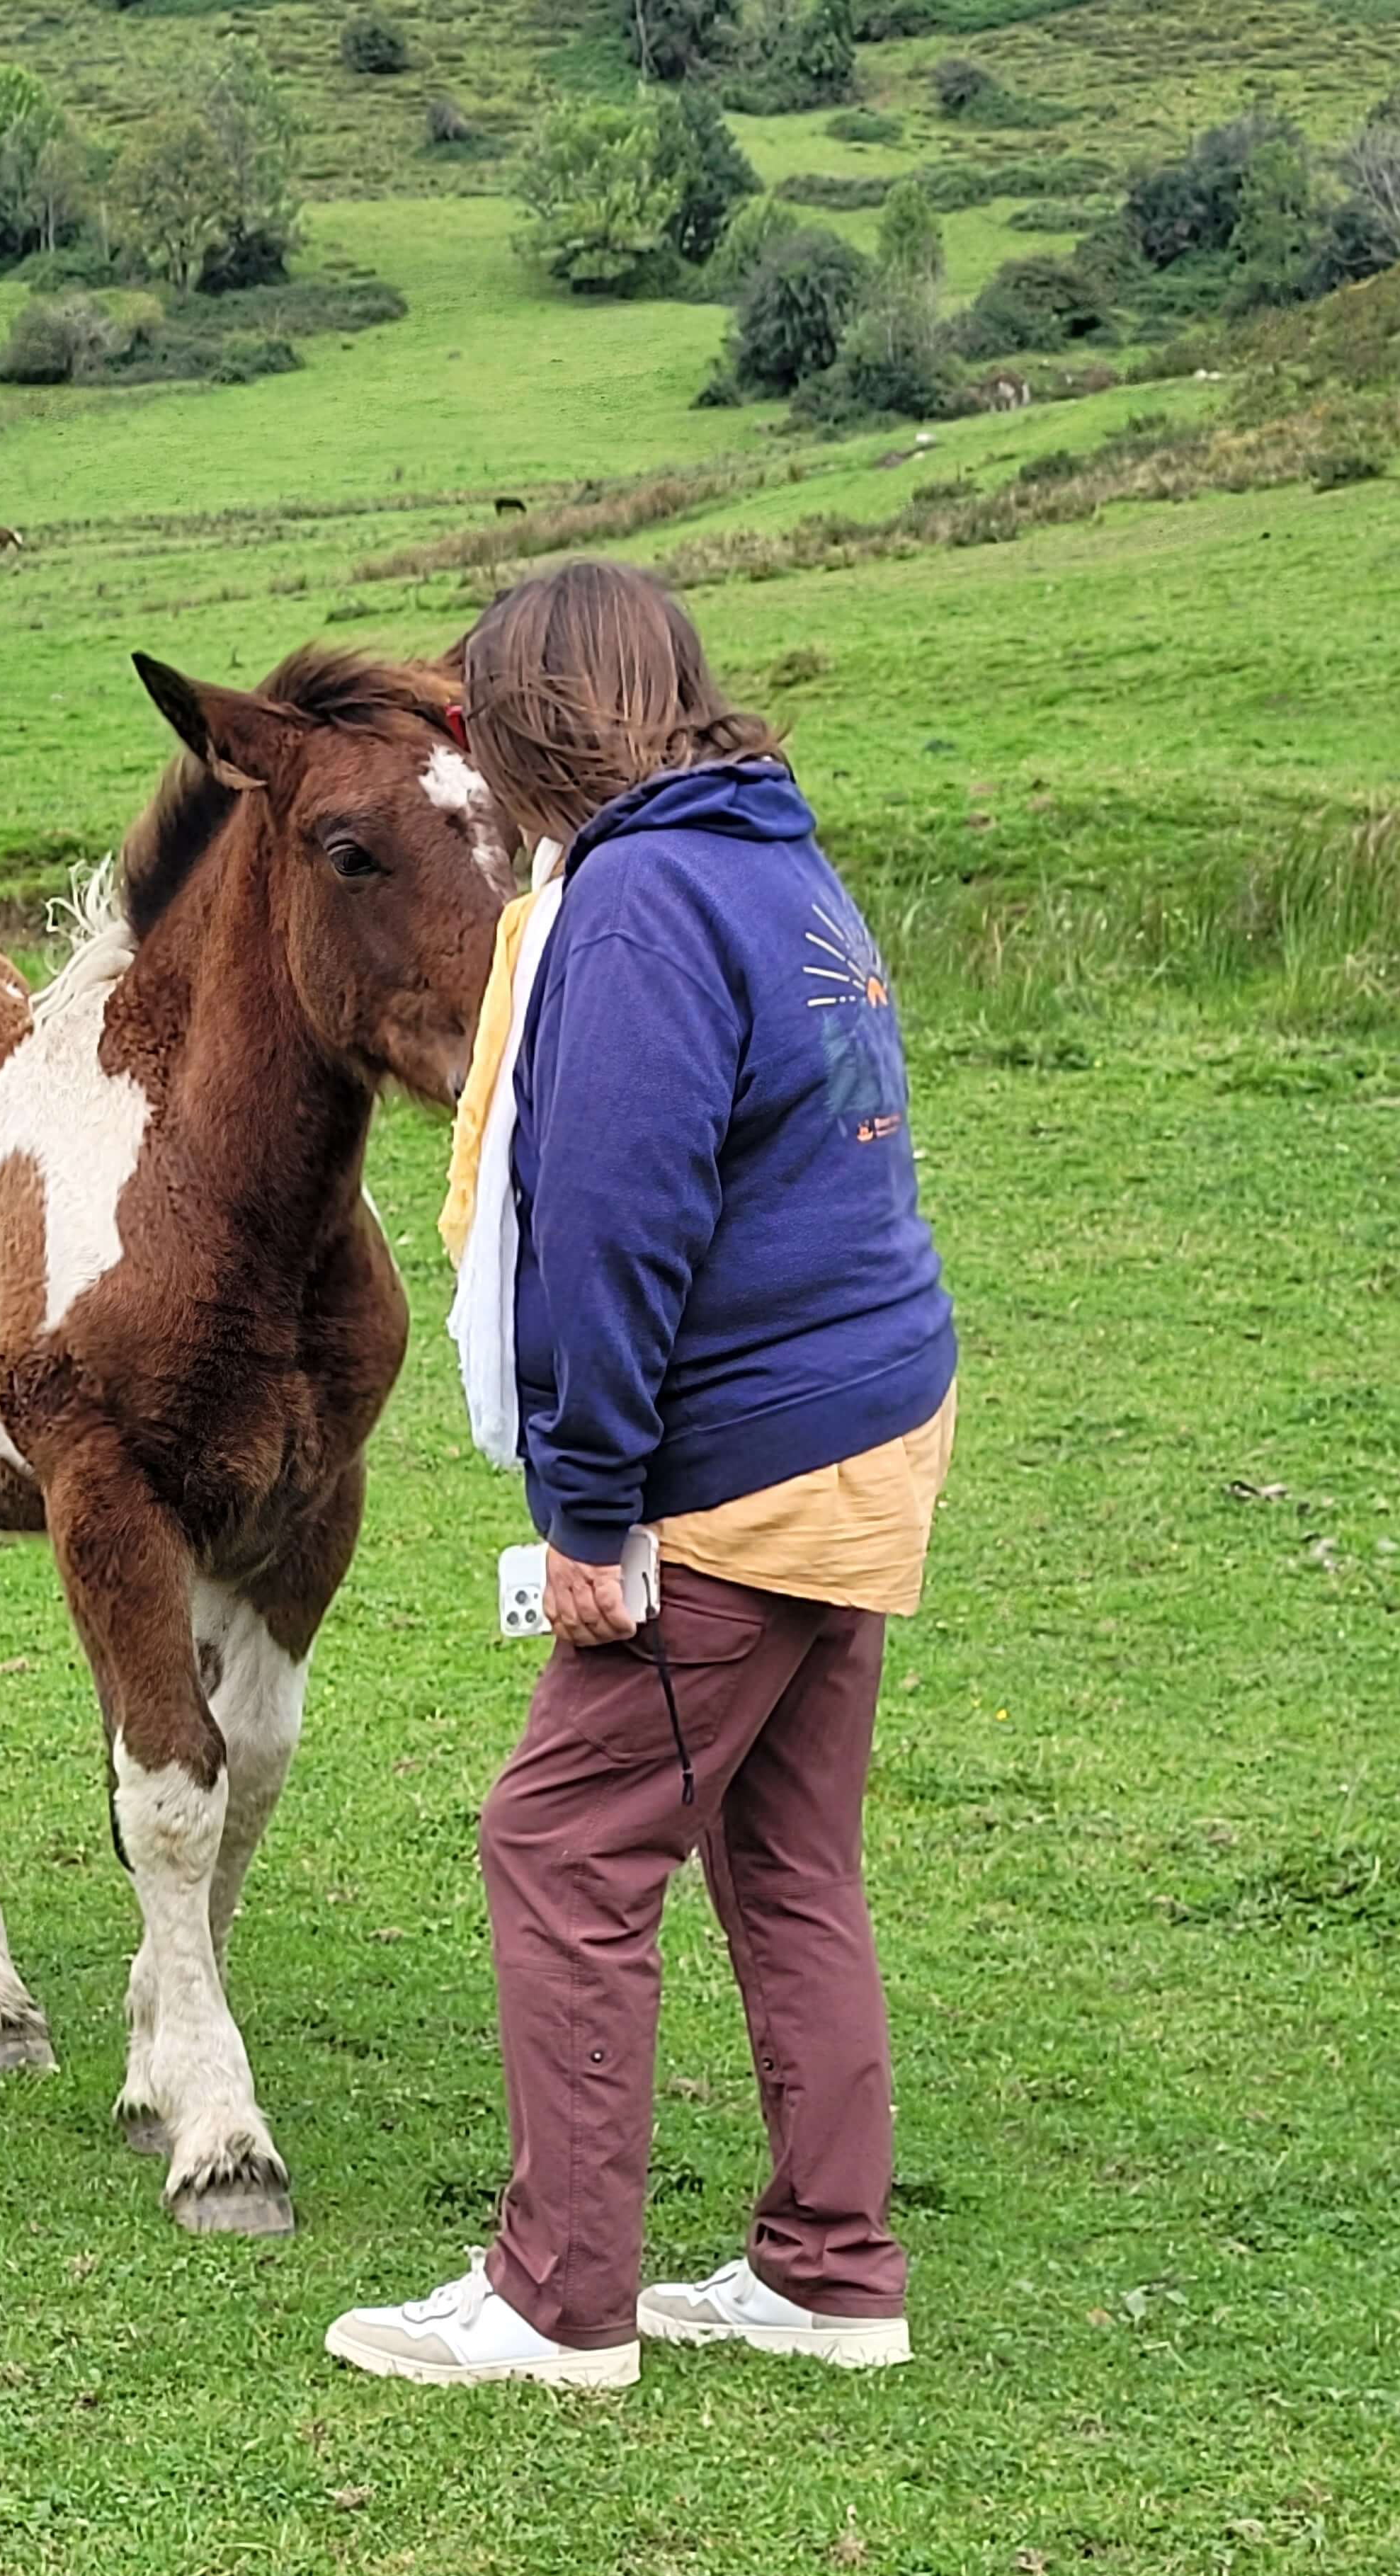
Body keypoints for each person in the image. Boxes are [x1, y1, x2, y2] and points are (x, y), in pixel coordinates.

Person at [325, 562, 956, 2391]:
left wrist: (590, 1514)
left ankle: (556, 2295)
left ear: (528, 725)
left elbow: (610, 1225)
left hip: (745, 1467)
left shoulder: (641, 903)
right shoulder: (778, 857)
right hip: (866, 1434)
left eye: (478, 722)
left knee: (562, 1842)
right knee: (785, 1852)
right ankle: (832, 2269)